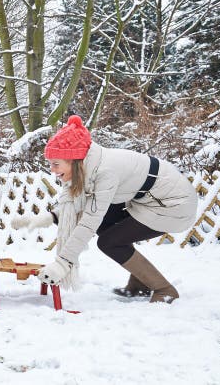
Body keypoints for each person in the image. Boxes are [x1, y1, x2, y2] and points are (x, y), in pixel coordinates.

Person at [15, 115, 197, 303]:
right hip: (149, 199)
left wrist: (63, 262)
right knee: (108, 226)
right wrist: (51, 217)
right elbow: (83, 204)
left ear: (74, 161)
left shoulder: (105, 172)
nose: (52, 170)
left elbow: (89, 220)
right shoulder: (90, 165)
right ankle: (141, 282)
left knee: (109, 242)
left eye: (56, 164)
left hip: (172, 205)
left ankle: (164, 289)